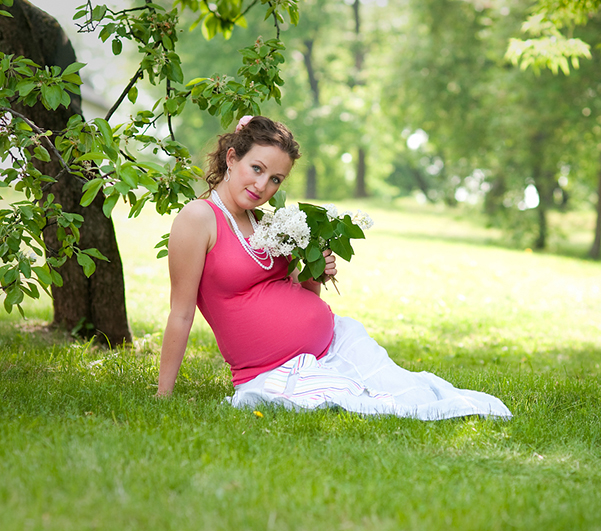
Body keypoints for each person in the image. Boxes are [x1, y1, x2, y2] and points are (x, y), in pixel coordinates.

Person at [157, 115, 512, 420]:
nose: (263, 186)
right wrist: (164, 396)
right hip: (273, 370)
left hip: (335, 342)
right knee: (378, 407)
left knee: (412, 392)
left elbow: (296, 291)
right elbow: (182, 313)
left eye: (276, 179)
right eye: (257, 169)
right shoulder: (199, 219)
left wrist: (316, 272)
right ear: (232, 158)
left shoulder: (263, 222)